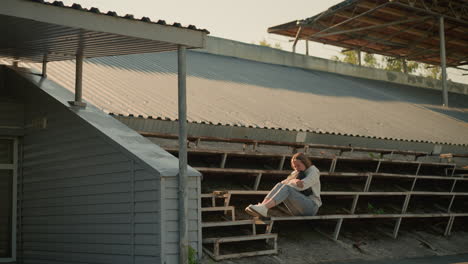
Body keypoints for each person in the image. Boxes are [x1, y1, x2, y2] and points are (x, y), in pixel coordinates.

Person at [245, 152, 321, 217]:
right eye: (295, 166)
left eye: (298, 165)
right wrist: (294, 181)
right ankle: (262, 207)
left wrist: (292, 182)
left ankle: (264, 207)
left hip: (311, 207)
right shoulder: (296, 172)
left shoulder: (313, 171)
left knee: (287, 188)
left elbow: (302, 186)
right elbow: (282, 183)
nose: (297, 168)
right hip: (296, 209)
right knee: (280, 185)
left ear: (305, 163)